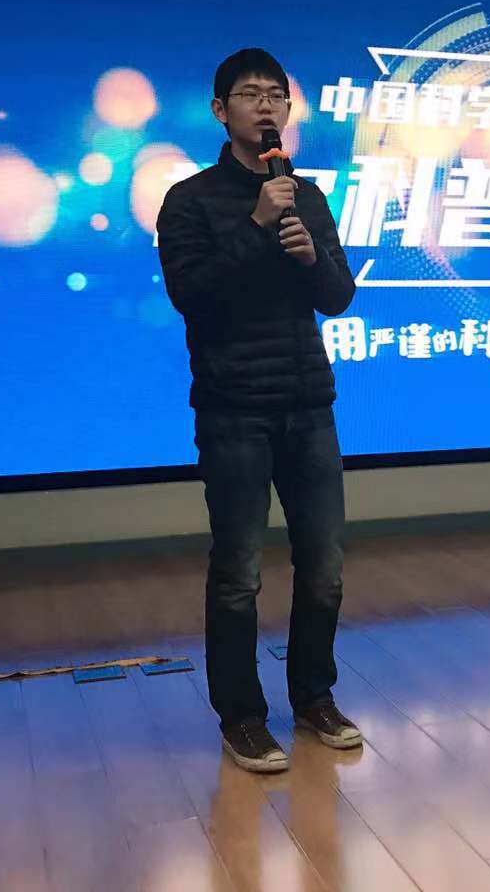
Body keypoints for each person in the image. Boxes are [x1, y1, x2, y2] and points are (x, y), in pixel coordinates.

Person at [156, 48, 361, 773]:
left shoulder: (308, 196)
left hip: (309, 406)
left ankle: (313, 698)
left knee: (325, 567)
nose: (266, 106)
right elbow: (192, 295)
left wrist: (309, 259)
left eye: (277, 95)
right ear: (222, 111)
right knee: (239, 573)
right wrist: (254, 223)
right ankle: (242, 716)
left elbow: (339, 296)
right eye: (250, 94)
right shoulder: (189, 200)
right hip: (234, 411)